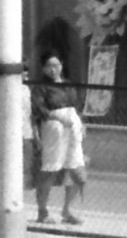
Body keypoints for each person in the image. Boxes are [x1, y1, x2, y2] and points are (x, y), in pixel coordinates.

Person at [35, 54, 89, 226]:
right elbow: (40, 109)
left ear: (61, 66)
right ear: (44, 68)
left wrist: (81, 123)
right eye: (49, 66)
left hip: (72, 125)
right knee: (50, 169)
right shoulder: (41, 87)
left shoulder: (68, 85)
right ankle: (42, 211)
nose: (53, 70)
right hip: (54, 127)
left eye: (56, 65)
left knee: (77, 171)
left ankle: (67, 210)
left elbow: (76, 107)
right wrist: (57, 118)